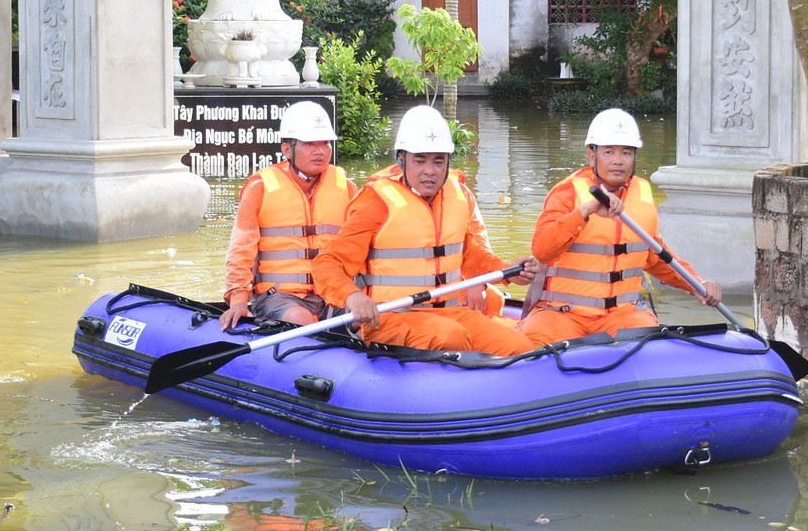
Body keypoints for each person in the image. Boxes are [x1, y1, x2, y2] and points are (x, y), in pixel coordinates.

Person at [312, 105, 536, 355]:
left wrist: (508, 272)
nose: (430, 170)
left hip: (452, 313)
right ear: (401, 159)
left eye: (438, 161)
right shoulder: (375, 203)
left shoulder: (459, 195)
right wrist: (352, 297)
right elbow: (327, 263)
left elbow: (472, 258)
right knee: (451, 337)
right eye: (420, 160)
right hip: (391, 317)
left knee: (520, 347)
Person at [519, 108, 722, 347]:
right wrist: (585, 211)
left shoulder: (642, 193)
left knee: (651, 348)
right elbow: (542, 249)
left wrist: (696, 284)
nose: (618, 160)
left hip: (621, 315)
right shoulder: (566, 193)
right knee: (530, 346)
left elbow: (656, 257)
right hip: (562, 313)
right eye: (609, 152)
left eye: (626, 152)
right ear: (591, 154)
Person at [220, 100, 354, 329]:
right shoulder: (260, 188)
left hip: (334, 293)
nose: (320, 151)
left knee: (369, 322)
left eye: (325, 143)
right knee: (300, 320)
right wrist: (238, 299)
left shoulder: (346, 187)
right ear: (286, 149)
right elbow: (241, 250)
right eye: (310, 144)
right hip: (279, 297)